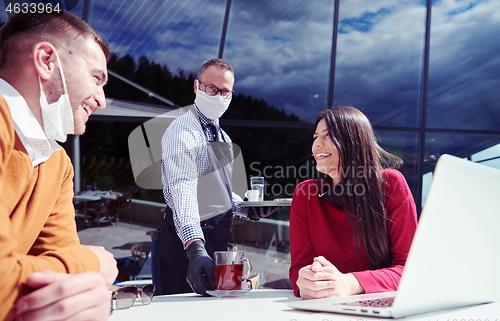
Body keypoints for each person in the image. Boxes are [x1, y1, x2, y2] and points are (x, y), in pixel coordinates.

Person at [0, 9, 117, 321]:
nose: (102, 100)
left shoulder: (57, 164)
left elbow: (65, 298)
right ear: (46, 60)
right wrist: (93, 264)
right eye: (97, 78)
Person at [154, 58, 277, 296]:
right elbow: (183, 190)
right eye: (211, 88)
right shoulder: (182, 131)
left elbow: (221, 190)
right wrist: (194, 247)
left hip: (216, 240)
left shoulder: (224, 139)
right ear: (196, 87)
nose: (218, 96)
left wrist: (246, 209)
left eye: (225, 92)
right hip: (185, 244)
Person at [289, 106, 418, 300]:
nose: (316, 144)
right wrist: (306, 282)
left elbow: (409, 270)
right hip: (322, 307)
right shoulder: (305, 194)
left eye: (327, 135)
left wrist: (349, 283)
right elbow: (299, 268)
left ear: (354, 141)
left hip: (379, 305)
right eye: (315, 137)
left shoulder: (391, 184)